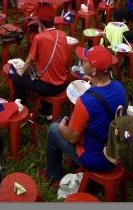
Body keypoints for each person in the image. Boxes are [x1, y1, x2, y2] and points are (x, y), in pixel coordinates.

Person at [44, 46, 127, 183]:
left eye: (86, 60)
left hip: (96, 158)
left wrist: (62, 128)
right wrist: (94, 81)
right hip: (115, 149)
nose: (82, 61)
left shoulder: (86, 101)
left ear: (94, 71)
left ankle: (53, 175)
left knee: (54, 128)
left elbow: (72, 138)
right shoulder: (119, 87)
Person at [11, 7, 69, 114]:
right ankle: (47, 112)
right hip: (63, 83)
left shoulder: (39, 38)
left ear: (39, 22)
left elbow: (29, 60)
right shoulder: (62, 34)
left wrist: (21, 72)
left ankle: (22, 111)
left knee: (16, 78)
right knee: (44, 72)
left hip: (48, 87)